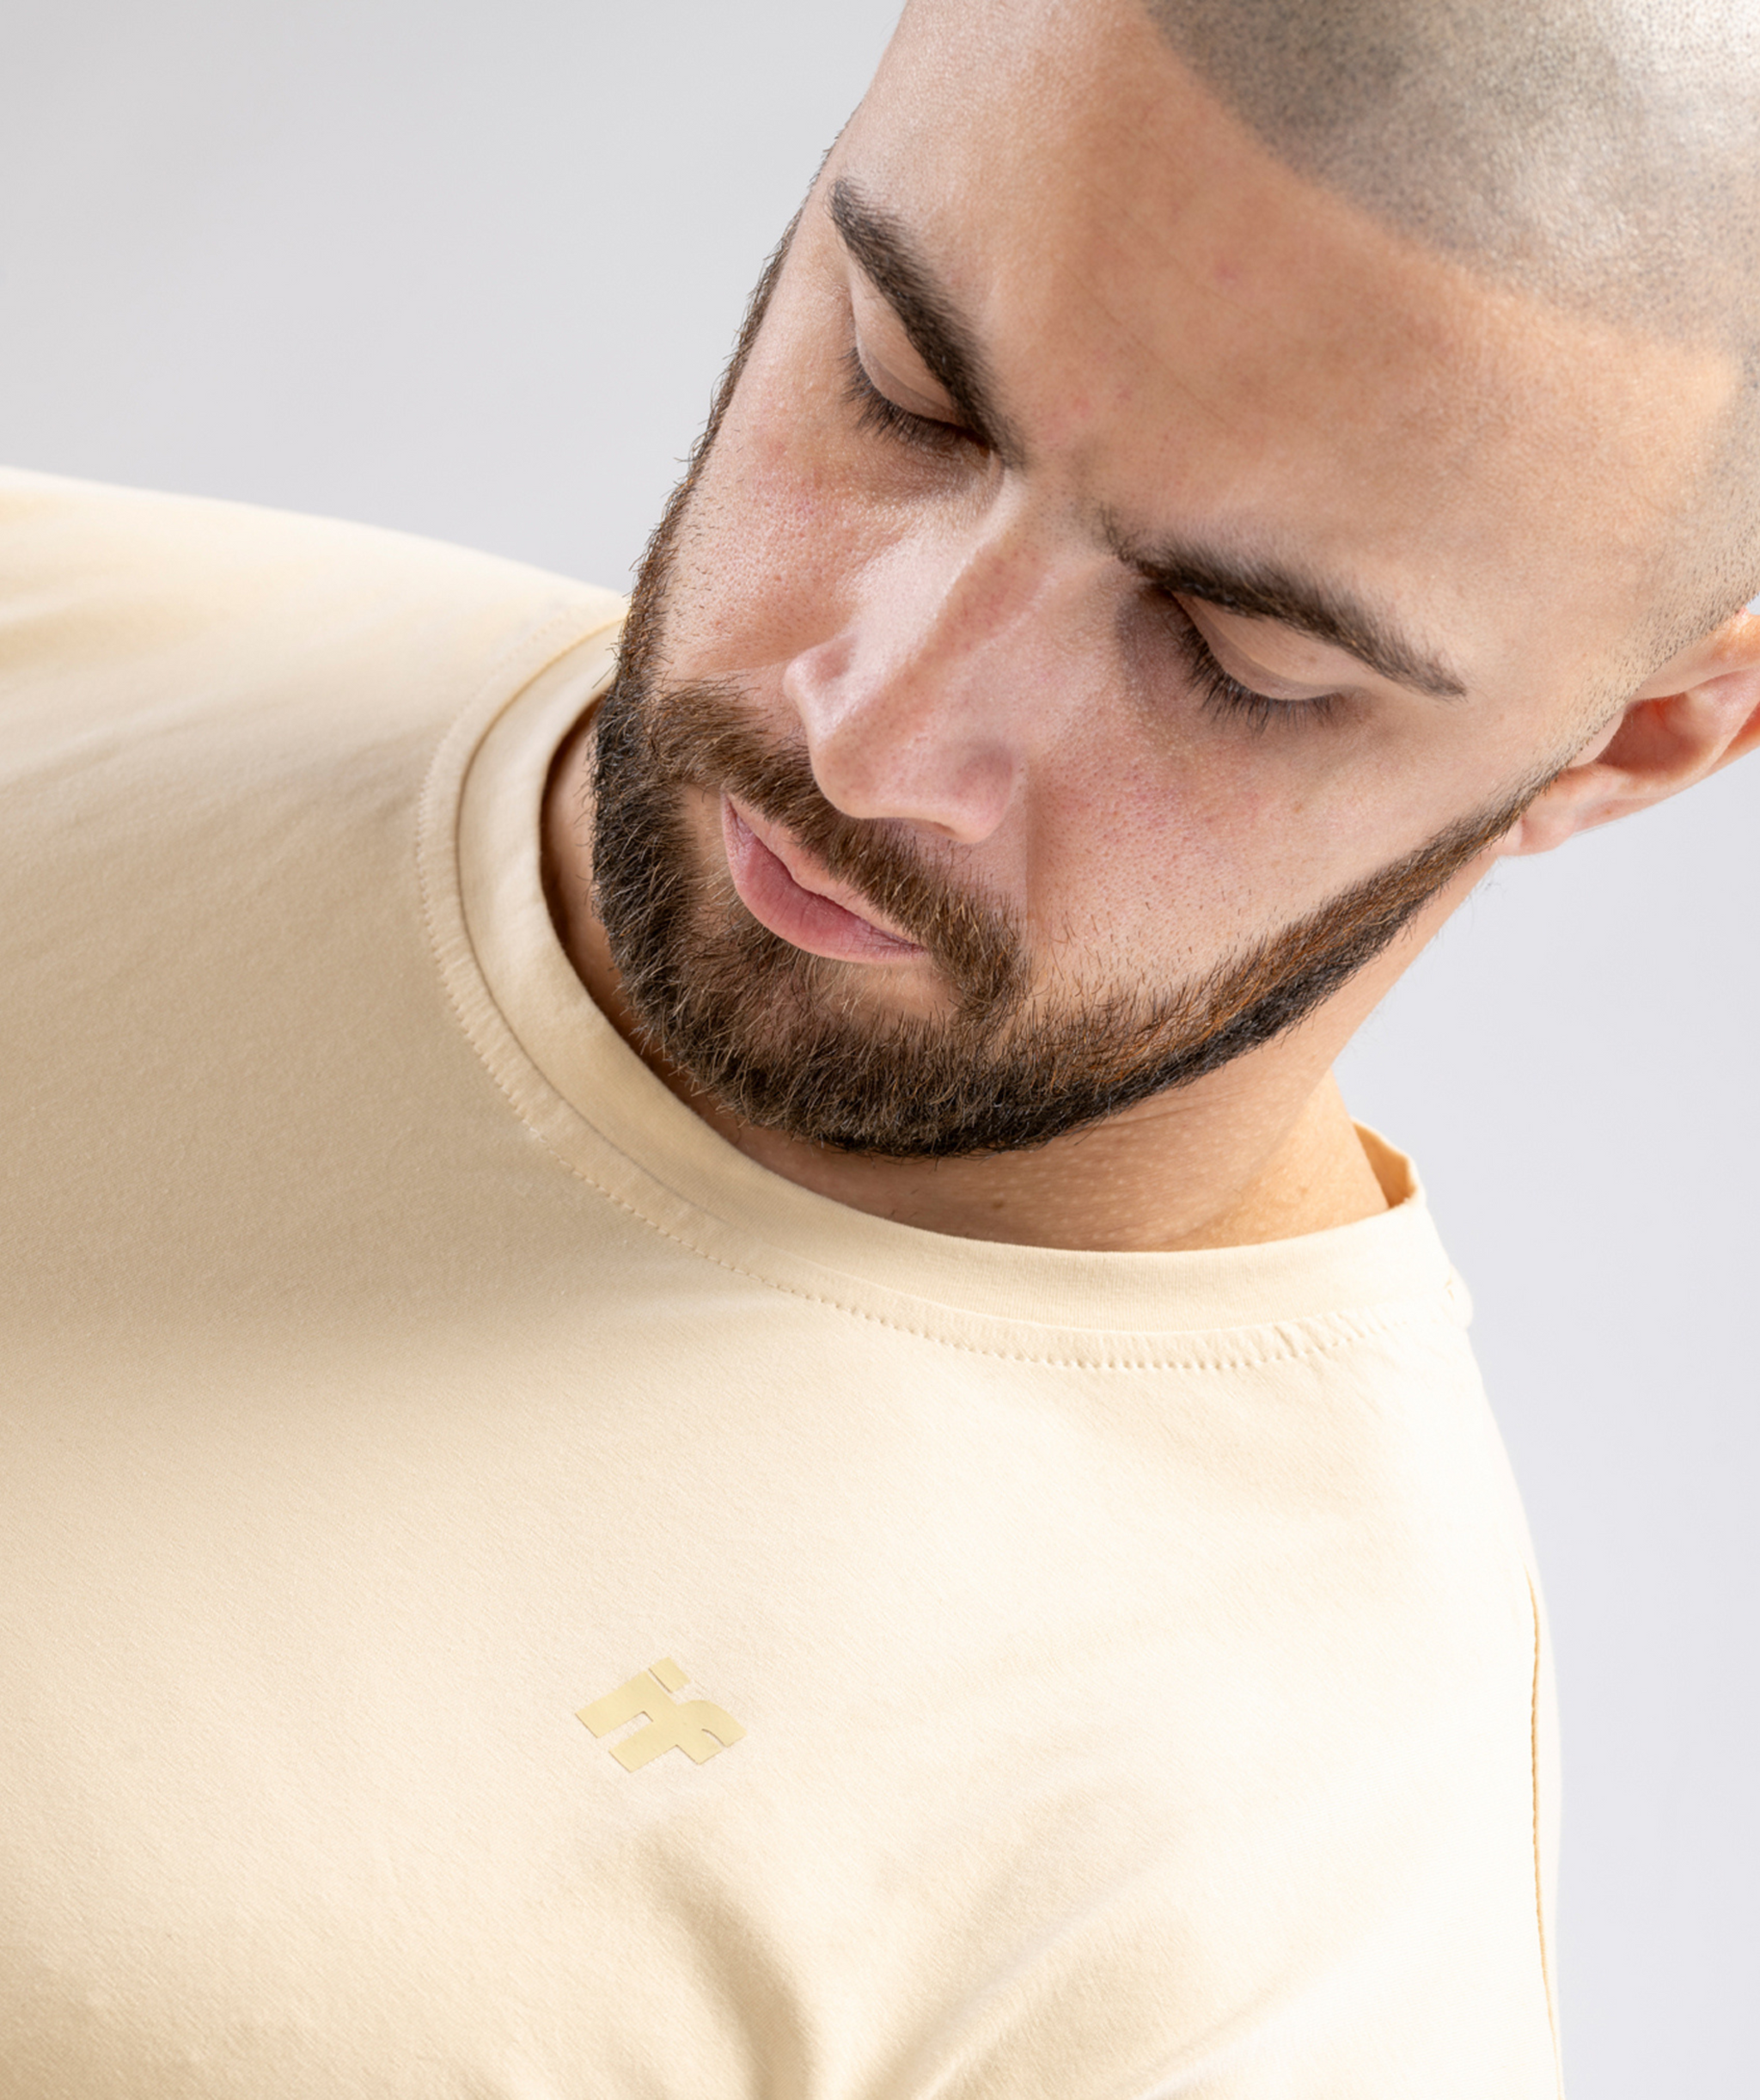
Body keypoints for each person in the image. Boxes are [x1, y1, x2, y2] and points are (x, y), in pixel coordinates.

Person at [3, 0, 1757, 2091]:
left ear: (1643, 733)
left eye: (1233, 656)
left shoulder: (1243, 1950)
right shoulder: (60, 611)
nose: (872, 728)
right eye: (906, 394)